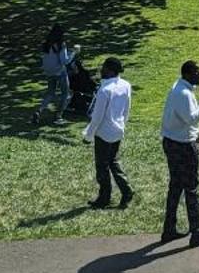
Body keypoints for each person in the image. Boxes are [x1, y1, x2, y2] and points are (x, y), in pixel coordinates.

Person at [160, 60, 199, 246]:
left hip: (171, 141)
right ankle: (197, 232)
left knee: (176, 186)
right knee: (191, 188)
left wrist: (196, 133)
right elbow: (191, 118)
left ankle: (169, 229)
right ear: (189, 74)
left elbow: (182, 118)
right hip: (183, 146)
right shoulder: (184, 93)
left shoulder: (178, 88)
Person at [84, 57, 134, 208]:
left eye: (104, 67)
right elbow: (127, 109)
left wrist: (88, 135)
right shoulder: (126, 85)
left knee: (102, 167)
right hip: (118, 130)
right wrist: (122, 125)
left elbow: (97, 117)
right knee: (113, 162)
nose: (101, 70)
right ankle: (126, 191)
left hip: (104, 133)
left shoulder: (104, 90)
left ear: (110, 70)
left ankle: (104, 198)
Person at [37, 25, 80, 124]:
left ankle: (39, 111)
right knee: (66, 93)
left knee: (50, 93)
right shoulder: (61, 44)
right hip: (59, 72)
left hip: (49, 71)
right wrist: (73, 52)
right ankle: (58, 116)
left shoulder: (46, 44)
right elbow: (64, 61)